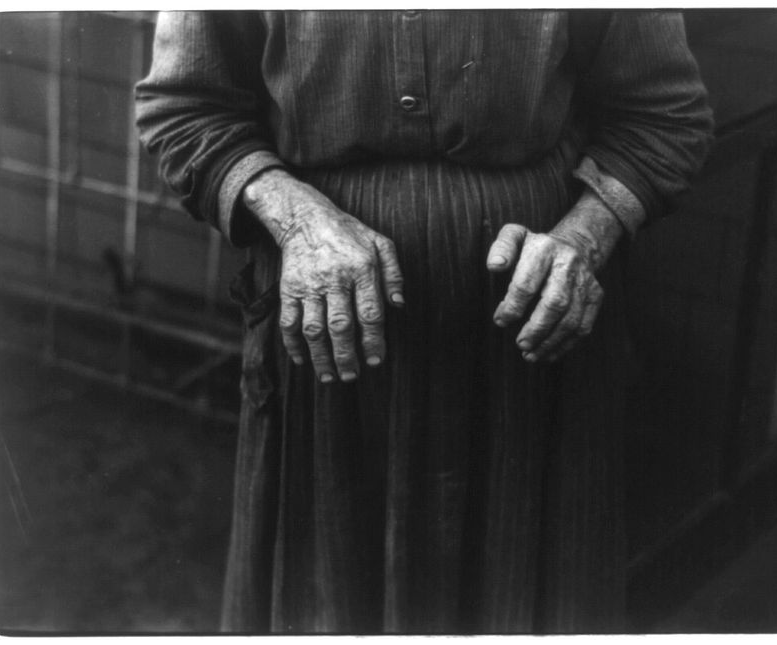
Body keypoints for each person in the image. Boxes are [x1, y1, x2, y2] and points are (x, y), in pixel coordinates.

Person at [135, 10, 712, 634]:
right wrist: (300, 222)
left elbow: (665, 116)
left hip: (532, 347)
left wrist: (584, 239)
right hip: (329, 333)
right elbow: (183, 109)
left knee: (526, 600)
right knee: (324, 593)